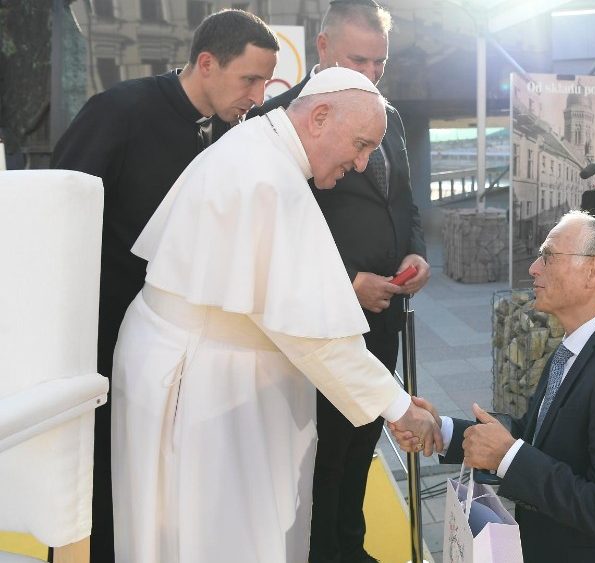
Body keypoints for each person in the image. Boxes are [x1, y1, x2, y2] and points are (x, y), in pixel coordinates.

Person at [110, 67, 441, 563]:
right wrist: (398, 406)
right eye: (360, 144)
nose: (361, 162)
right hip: (204, 384)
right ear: (320, 117)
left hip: (194, 366)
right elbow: (314, 336)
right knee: (220, 540)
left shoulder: (259, 150)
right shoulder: (271, 178)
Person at [49, 10, 279, 560]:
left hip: (184, 348)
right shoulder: (119, 111)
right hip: (100, 337)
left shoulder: (237, 135)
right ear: (205, 63)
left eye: (266, 81)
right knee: (100, 475)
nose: (258, 94)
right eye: (249, 79)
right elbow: (61, 219)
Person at [249, 1, 428, 560]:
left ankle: (350, 546)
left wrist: (415, 251)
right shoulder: (278, 122)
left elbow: (404, 201)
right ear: (322, 48)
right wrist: (347, 283)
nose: (371, 74)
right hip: (318, 327)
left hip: (384, 321)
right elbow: (269, 244)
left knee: (362, 445)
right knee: (322, 456)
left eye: (381, 63)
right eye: (360, 59)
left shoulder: (387, 116)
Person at [396, 211, 595, 562]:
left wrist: (508, 456)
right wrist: (442, 431)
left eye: (548, 255)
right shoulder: (577, 347)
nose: (534, 268)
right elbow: (537, 437)